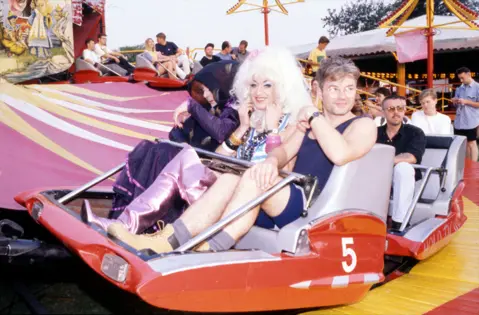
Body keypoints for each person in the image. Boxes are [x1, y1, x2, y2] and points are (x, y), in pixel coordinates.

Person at [107, 56, 377, 254]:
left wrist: (314, 116)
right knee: (230, 177)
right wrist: (271, 162)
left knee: (250, 177)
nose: (342, 97)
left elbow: (341, 154)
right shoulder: (306, 124)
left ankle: (209, 249)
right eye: (334, 89)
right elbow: (282, 153)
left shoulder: (362, 125)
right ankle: (168, 238)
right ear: (319, 90)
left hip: (315, 208)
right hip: (283, 197)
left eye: (349, 89)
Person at [84, 49, 307, 234]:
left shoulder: (290, 124)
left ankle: (132, 227)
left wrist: (271, 129)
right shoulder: (251, 119)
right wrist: (243, 128)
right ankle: (125, 225)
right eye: (253, 85)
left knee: (182, 158)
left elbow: (281, 173)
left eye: (267, 85)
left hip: (254, 203)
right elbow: (217, 157)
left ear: (282, 87)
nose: (258, 92)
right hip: (225, 191)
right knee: (177, 154)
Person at [376, 94, 426, 231]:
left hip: (405, 178)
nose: (396, 112)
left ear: (404, 110)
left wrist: (384, 160)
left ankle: (400, 223)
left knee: (403, 167)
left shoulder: (415, 132)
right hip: (378, 177)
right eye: (391, 109)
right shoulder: (375, 132)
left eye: (400, 108)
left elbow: (412, 157)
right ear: (383, 111)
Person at [452, 67, 479, 161]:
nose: (461, 80)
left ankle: (474, 164)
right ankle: (468, 165)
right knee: (464, 144)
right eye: (460, 78)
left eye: (462, 78)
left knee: (472, 143)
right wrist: (454, 101)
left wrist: (466, 101)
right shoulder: (459, 88)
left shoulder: (478, 87)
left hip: (471, 120)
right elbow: (456, 104)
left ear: (469, 74)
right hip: (459, 121)